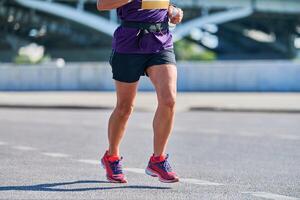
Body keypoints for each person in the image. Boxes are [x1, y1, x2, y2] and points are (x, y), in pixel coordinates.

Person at [97, 0, 183, 183]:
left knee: (169, 100)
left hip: (160, 40)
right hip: (129, 42)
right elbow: (102, 4)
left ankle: (158, 160)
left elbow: (154, 2)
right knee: (125, 107)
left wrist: (172, 10)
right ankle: (111, 157)